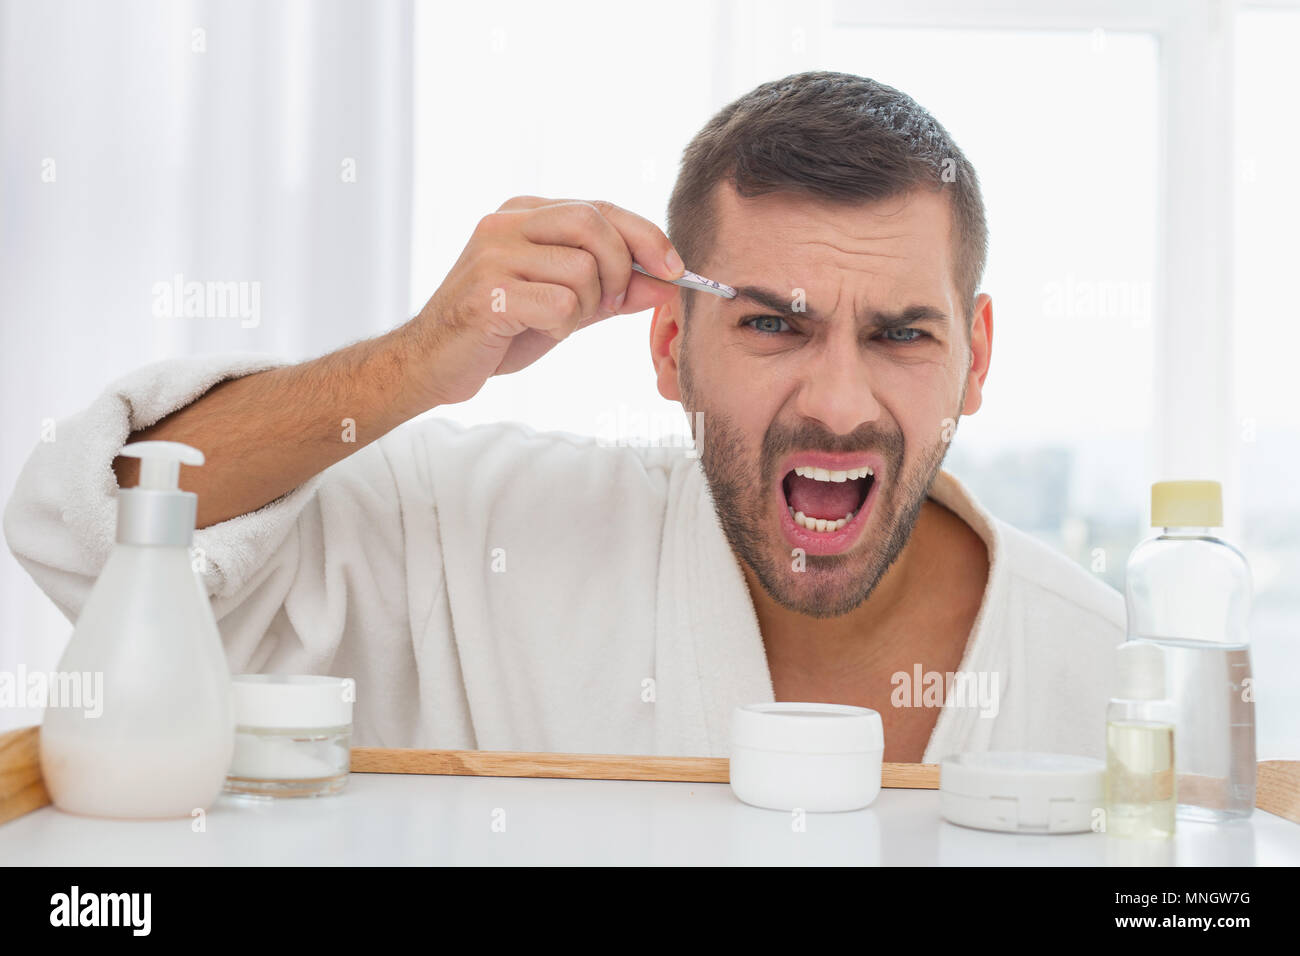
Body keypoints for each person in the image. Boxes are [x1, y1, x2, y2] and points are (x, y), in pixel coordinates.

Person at [4, 72, 1121, 763]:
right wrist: (414, 360)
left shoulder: (1105, 668)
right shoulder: (482, 534)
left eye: (900, 334)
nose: (836, 401)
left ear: (976, 358)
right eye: (773, 326)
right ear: (670, 347)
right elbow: (93, 517)